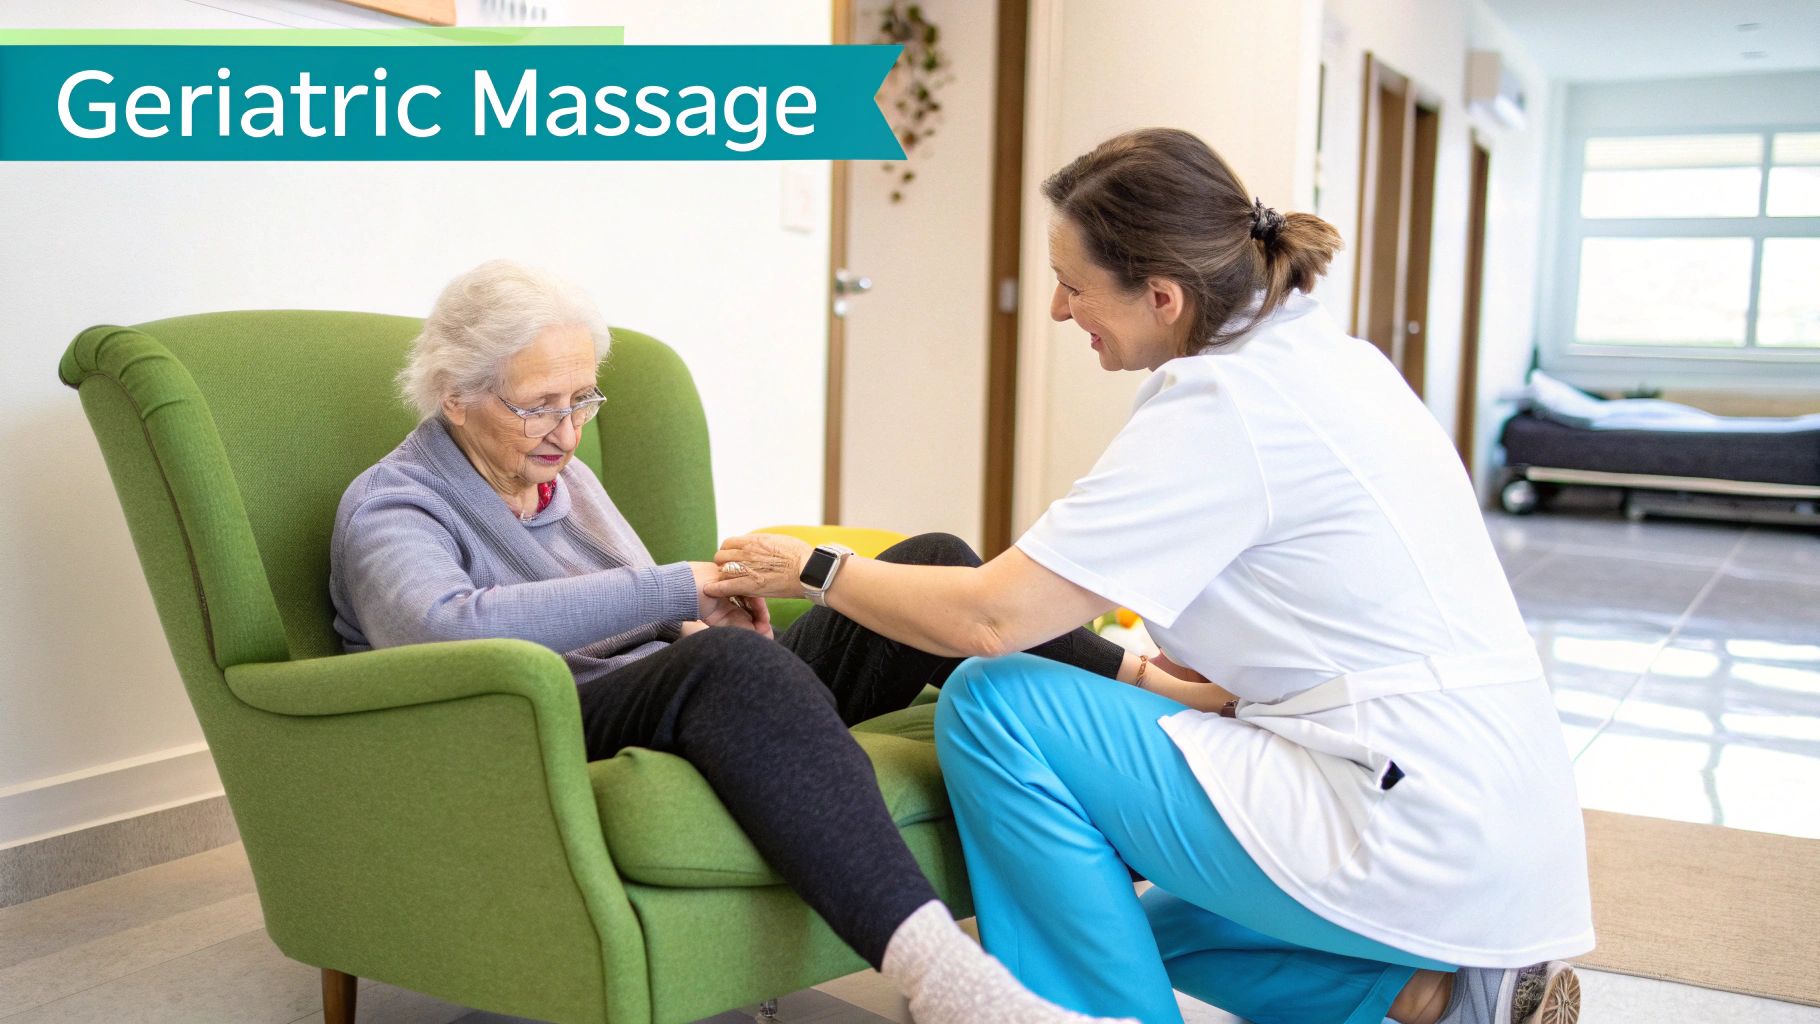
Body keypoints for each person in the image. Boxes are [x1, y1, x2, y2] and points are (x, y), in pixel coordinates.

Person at [706, 129, 1593, 1024]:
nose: (1057, 308)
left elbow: (991, 619)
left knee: (994, 700)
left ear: (1162, 296)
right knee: (1146, 931)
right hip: (1492, 807)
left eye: (1075, 286)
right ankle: (1431, 997)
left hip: (1401, 809)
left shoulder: (1227, 404)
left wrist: (813, 566)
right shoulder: (1327, 361)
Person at [327, 259, 1166, 1024]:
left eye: (582, 400)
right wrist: (678, 599)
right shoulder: (394, 505)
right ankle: (950, 984)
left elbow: (648, 606)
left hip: (685, 694)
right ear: (454, 394)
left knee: (933, 564)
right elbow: (438, 630)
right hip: (543, 719)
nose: (567, 432)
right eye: (538, 406)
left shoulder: (562, 477)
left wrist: (698, 620)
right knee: (724, 665)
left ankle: (1151, 687)